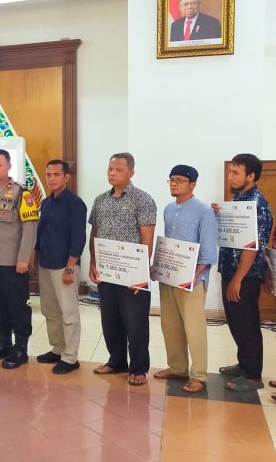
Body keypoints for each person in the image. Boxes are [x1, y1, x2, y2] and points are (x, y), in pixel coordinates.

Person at [88, 153, 156, 386]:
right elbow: (94, 233)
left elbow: (147, 239)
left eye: (118, 169)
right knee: (110, 320)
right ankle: (116, 361)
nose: (112, 173)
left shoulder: (143, 200)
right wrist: (93, 263)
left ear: (131, 172)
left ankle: (138, 368)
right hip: (107, 271)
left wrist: (142, 275)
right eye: (110, 169)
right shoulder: (100, 200)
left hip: (133, 274)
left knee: (136, 323)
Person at [152, 165, 217, 393]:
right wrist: (158, 267)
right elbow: (169, 245)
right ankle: (177, 368)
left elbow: (208, 252)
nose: (174, 183)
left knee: (194, 328)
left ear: (192, 184)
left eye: (179, 180)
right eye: (171, 179)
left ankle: (199, 375)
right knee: (170, 325)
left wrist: (192, 276)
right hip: (169, 278)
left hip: (193, 281)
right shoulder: (168, 209)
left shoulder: (204, 211)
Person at [215, 154, 273, 391]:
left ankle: (253, 376)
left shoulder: (256, 205)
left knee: (247, 324)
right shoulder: (238, 199)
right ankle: (243, 365)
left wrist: (237, 279)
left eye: (236, 172)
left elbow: (252, 245)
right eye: (230, 171)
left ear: (251, 176)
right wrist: (221, 214)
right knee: (236, 322)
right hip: (230, 270)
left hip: (246, 276)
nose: (230, 176)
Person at [0, 149, 39, 369]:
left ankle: (20, 348)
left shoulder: (21, 192)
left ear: (9, 166)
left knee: (17, 306)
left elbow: (30, 227)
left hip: (12, 263)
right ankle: (4, 343)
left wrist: (24, 258)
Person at [34, 159, 87, 374]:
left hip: (64, 267)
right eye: (48, 174)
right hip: (46, 264)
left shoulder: (75, 204)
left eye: (56, 175)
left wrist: (69, 268)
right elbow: (41, 235)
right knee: (50, 311)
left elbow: (78, 238)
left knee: (69, 313)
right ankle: (58, 348)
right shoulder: (46, 203)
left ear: (66, 177)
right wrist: (35, 261)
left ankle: (70, 357)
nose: (51, 179)